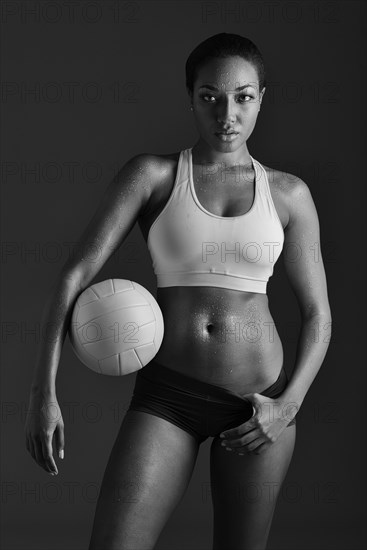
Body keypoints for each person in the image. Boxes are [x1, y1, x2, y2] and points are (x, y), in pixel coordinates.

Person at [25, 33, 332, 550]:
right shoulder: (154, 176)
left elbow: (318, 314)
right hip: (167, 397)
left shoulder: (289, 195)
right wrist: (44, 394)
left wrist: (288, 405)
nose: (226, 113)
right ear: (190, 97)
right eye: (210, 95)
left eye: (243, 96)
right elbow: (73, 276)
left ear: (261, 98)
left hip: (259, 403)